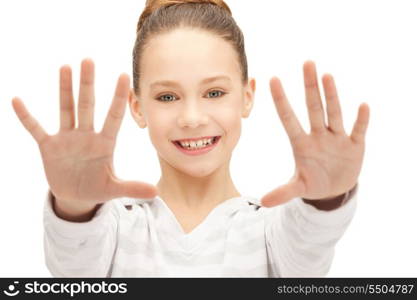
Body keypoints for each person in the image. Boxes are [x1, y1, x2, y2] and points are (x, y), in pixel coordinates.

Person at [11, 0, 370, 277]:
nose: (192, 119)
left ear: (247, 96)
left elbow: (308, 250)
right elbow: (73, 270)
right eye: (167, 97)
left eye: (214, 93)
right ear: (137, 107)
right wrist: (74, 208)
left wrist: (326, 201)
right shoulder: (115, 227)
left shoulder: (271, 232)